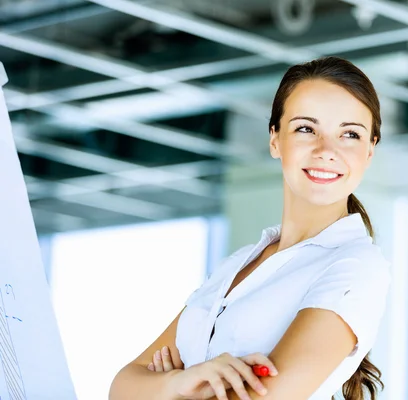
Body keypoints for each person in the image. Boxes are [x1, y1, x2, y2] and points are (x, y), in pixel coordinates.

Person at [109, 56, 391, 400]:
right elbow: (123, 387)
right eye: (306, 128)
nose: (326, 150)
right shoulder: (236, 265)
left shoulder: (356, 266)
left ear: (370, 150)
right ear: (275, 139)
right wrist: (180, 383)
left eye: (349, 134)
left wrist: (171, 392)